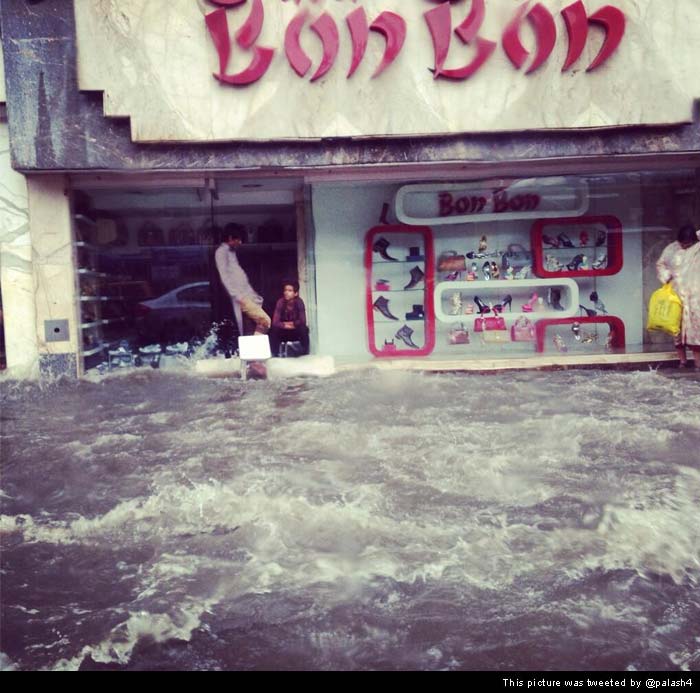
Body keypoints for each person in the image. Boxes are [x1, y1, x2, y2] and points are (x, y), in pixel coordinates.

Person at [214, 223, 271, 340]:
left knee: (250, 326)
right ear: (230, 238)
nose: (240, 243)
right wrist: (238, 296)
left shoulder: (231, 252)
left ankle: (253, 354)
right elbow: (224, 276)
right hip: (241, 297)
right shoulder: (221, 252)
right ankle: (253, 350)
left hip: (247, 295)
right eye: (238, 239)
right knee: (265, 321)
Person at [656, 225, 698, 366]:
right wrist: (666, 277)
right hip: (676, 296)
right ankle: (683, 361)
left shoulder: (697, 249)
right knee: (677, 330)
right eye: (683, 243)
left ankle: (698, 365)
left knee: (696, 332)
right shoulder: (671, 249)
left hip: (695, 298)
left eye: (688, 243)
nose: (685, 245)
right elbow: (661, 265)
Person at [676, 227, 700, 368]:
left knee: (696, 340)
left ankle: (697, 367)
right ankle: (695, 367)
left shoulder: (688, 253)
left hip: (692, 301)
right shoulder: (685, 254)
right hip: (689, 300)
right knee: (695, 340)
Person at [269, 280, 310, 357]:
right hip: (283, 332)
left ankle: (305, 353)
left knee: (304, 329)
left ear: (296, 293)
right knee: (273, 330)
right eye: (285, 290)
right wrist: (286, 325)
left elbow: (302, 321)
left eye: (290, 290)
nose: (286, 292)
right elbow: (275, 322)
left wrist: (290, 324)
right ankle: (275, 354)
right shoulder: (280, 302)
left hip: (295, 332)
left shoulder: (299, 302)